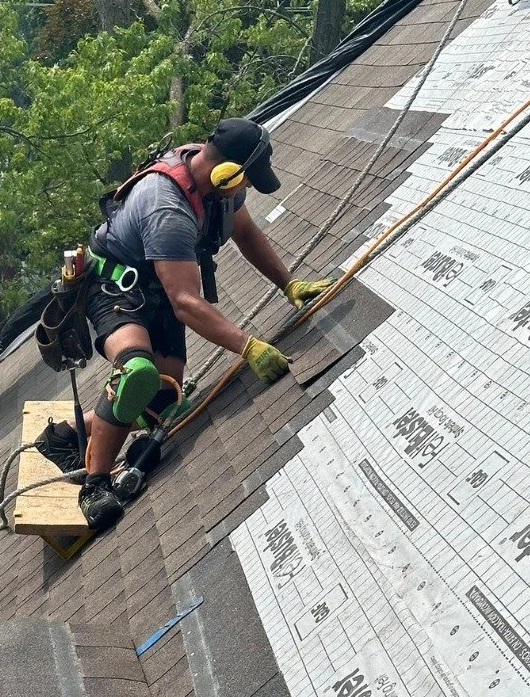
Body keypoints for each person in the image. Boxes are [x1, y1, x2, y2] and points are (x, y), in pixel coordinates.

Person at [36, 117, 331, 530]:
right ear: (228, 172)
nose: (247, 189)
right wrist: (248, 347)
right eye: (247, 181)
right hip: (115, 288)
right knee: (136, 374)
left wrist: (289, 284)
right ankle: (96, 485)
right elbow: (187, 304)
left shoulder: (217, 187)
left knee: (161, 401)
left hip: (154, 288)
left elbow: (246, 234)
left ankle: (66, 436)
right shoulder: (167, 207)